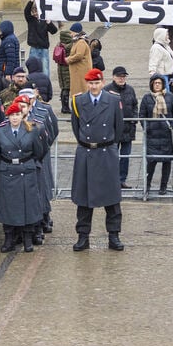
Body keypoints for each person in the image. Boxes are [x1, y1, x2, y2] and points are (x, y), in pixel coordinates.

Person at [70, 68, 125, 252]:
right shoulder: (78, 101)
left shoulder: (113, 100)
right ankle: (83, 237)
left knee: (112, 200)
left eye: (96, 83)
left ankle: (114, 236)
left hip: (106, 152)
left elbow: (119, 129)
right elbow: (76, 128)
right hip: (86, 153)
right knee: (84, 200)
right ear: (87, 84)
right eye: (91, 83)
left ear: (102, 82)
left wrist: (108, 146)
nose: (94, 87)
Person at [0, 103, 45, 253]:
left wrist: (27, 163)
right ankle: (9, 239)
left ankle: (28, 238)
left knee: (28, 206)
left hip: (26, 170)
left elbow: (39, 151)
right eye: (12, 115)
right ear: (7, 117)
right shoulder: (0, 131)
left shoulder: (32, 130)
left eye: (17, 115)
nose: (14, 118)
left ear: (22, 115)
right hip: (8, 171)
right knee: (8, 206)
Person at [138, 74, 173, 196]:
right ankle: (147, 185)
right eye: (155, 83)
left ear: (163, 84)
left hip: (166, 135)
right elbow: (142, 115)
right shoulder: (147, 98)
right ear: (151, 84)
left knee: (166, 162)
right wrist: (146, 127)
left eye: (159, 83)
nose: (157, 85)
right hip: (152, 136)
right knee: (151, 163)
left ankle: (163, 186)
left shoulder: (170, 97)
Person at [106, 67, 137, 190]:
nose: (122, 78)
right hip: (113, 130)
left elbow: (135, 105)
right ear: (113, 77)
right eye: (119, 76)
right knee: (111, 157)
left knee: (125, 157)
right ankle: (111, 180)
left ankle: (122, 179)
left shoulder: (130, 90)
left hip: (128, 129)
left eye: (124, 76)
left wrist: (135, 118)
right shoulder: (107, 90)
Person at [24, 0, 57, 76]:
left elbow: (54, 31)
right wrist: (31, 1)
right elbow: (26, 11)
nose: (35, 14)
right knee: (33, 68)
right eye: (33, 12)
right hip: (34, 48)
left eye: (37, 12)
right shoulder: (31, 20)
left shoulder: (44, 20)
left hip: (44, 49)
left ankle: (46, 84)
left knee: (45, 69)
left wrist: (49, 23)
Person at [65, 23, 92, 98]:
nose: (70, 34)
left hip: (81, 72)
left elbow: (79, 55)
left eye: (71, 32)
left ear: (76, 32)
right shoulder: (77, 41)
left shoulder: (81, 42)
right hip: (78, 71)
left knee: (81, 90)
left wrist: (68, 59)